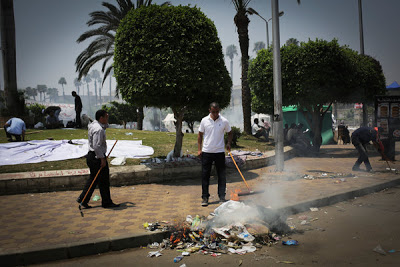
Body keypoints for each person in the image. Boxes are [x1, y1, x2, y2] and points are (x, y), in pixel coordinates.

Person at [77, 110, 120, 209]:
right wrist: (102, 159)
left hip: (93, 156)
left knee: (94, 179)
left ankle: (83, 199)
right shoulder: (98, 129)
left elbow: (105, 126)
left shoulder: (94, 125)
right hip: (97, 157)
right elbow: (96, 146)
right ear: (101, 118)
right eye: (106, 117)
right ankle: (106, 202)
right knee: (103, 180)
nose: (107, 119)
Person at [198, 102, 232, 207]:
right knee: (205, 175)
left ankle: (222, 196)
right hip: (207, 152)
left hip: (219, 152)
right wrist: (199, 149)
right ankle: (205, 197)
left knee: (221, 175)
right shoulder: (204, 121)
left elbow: (230, 133)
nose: (216, 114)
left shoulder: (224, 121)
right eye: (213, 112)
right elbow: (200, 135)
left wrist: (228, 143)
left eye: (217, 111)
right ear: (210, 110)